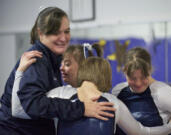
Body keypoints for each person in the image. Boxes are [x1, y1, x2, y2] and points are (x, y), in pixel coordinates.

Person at [13, 44, 171, 135]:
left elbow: (18, 109)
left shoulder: (59, 93)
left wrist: (19, 72)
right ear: (106, 77)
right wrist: (169, 128)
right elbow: (141, 133)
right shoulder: (113, 103)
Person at [0, 7, 115, 135]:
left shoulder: (52, 60)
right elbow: (30, 105)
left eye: (66, 31)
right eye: (56, 32)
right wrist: (81, 109)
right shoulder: (36, 60)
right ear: (41, 33)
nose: (63, 38)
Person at [112, 47, 171, 135]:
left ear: (150, 70)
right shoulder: (117, 91)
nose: (138, 83)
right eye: (132, 78)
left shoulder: (162, 93)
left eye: (143, 77)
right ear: (124, 72)